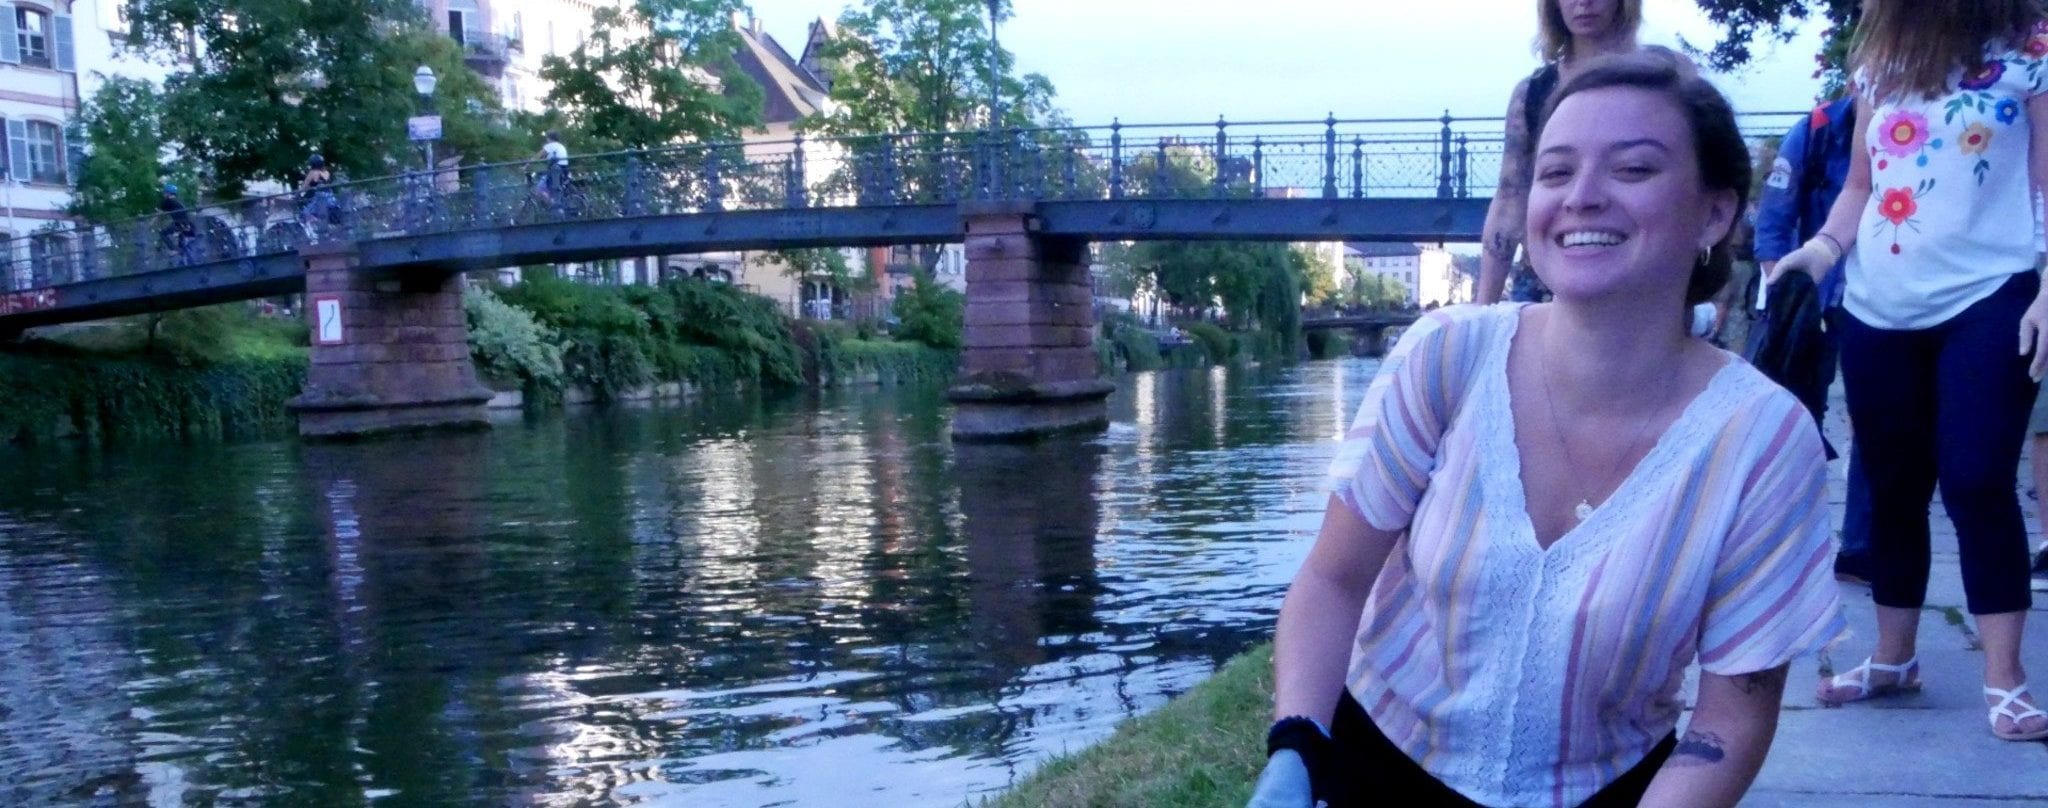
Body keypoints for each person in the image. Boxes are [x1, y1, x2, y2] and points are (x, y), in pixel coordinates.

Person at [1250, 53, 1844, 808]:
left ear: (1716, 212)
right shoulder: (1444, 357)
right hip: (1378, 761)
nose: (1583, 198)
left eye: (1632, 170)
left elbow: (1729, 721)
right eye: (1556, 173)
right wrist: (1297, 744)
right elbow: (1333, 583)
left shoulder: (1764, 441)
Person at [1767, 0, 2048, 742]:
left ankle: (2005, 678)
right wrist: (1819, 255)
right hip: (1878, 304)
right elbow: (1858, 190)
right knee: (1891, 483)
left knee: (1977, 477)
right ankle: (1894, 659)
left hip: (1994, 293)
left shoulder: (2032, 55)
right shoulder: (1878, 66)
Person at [1476, 0, 1679, 304]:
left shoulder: (1664, 79)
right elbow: (1510, 197)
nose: (1583, 2)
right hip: (1544, 282)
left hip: (1637, 278)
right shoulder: (1533, 93)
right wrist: (1484, 306)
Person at [1752, 94, 1874, 586]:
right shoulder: (1818, 129)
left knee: (1873, 419)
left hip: (1880, 295)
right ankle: (1783, 535)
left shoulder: (1911, 120)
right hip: (1815, 295)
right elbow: (1775, 216)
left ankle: (1862, 546)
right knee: (1795, 416)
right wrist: (1783, 294)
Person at [299, 154, 338, 232]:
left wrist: (297, 195)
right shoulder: (326, 172)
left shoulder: (312, 173)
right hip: (330, 198)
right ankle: (327, 230)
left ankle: (314, 234)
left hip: (319, 199)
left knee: (304, 215)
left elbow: (304, 187)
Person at [157, 183, 194, 256]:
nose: (163, 195)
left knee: (162, 233)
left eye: (164, 193)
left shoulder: (166, 201)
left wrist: (151, 223)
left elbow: (159, 214)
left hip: (178, 223)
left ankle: (174, 249)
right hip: (187, 223)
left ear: (168, 193)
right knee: (181, 233)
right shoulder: (178, 202)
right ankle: (182, 251)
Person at [536, 131, 569, 204]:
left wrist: (525, 166)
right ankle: (557, 203)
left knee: (539, 189)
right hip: (564, 170)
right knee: (555, 189)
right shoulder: (560, 146)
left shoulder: (550, 146)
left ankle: (553, 204)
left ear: (549, 138)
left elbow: (537, 156)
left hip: (555, 170)